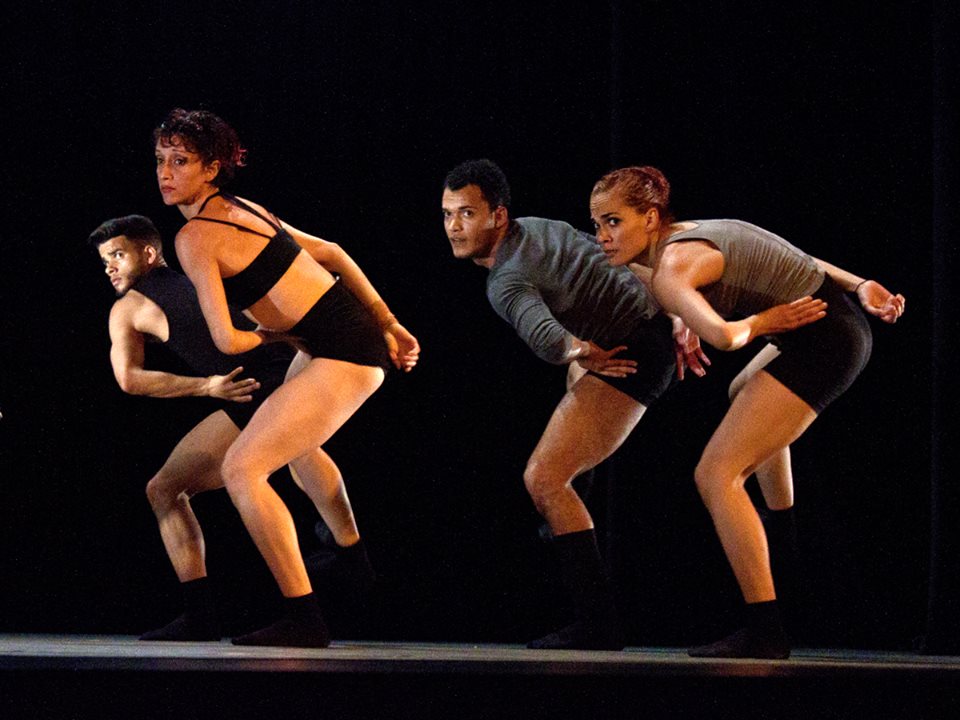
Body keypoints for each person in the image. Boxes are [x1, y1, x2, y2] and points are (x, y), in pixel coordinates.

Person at [589, 165, 906, 659]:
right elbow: (798, 258)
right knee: (743, 391)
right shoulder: (694, 232)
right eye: (596, 225)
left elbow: (725, 337)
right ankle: (783, 538)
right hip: (829, 323)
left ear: (650, 219)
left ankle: (766, 629)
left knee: (716, 475)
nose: (602, 237)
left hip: (824, 341)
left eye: (613, 222)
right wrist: (859, 283)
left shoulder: (673, 268)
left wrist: (762, 321)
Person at [154, 108, 419, 647]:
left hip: (344, 353)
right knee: (295, 444)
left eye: (180, 161)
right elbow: (334, 254)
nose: (165, 172)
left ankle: (306, 616)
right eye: (160, 159)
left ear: (211, 169)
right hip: (342, 343)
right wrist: (388, 322)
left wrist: (273, 336)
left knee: (243, 469)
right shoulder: (246, 209)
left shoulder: (195, 236)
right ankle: (353, 562)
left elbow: (228, 340)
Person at [441, 158, 718, 650]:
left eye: (467, 213)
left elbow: (549, 340)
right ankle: (571, 508)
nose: (454, 227)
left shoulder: (504, 279)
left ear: (498, 216)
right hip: (649, 328)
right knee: (573, 393)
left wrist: (584, 351)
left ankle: (598, 622)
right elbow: (615, 260)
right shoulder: (538, 227)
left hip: (635, 352)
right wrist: (675, 310)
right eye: (447, 214)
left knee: (544, 479)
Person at [87, 214, 376, 642]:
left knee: (177, 487)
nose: (110, 267)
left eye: (117, 255)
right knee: (291, 453)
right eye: (104, 260)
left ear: (148, 253)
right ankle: (352, 558)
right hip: (275, 377)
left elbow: (129, 379)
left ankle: (220, 612)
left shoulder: (128, 307)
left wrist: (206, 386)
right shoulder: (201, 276)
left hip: (251, 388)